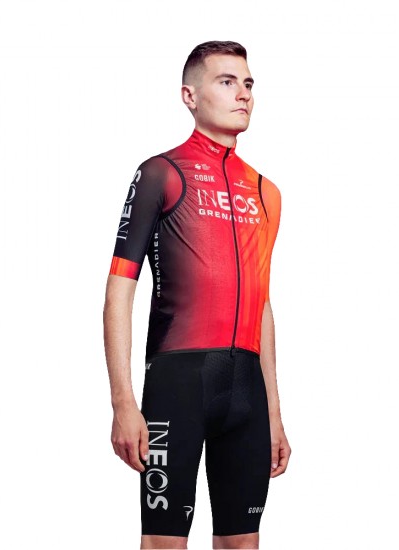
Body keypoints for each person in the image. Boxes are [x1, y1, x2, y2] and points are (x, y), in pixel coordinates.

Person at [103, 40, 291, 550]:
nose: (243, 94)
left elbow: (262, 304)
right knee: (164, 543)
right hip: (177, 383)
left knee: (242, 543)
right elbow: (120, 288)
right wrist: (123, 401)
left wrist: (274, 413)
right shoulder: (160, 173)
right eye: (226, 82)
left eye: (248, 83)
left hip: (247, 391)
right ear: (190, 95)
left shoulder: (265, 192)